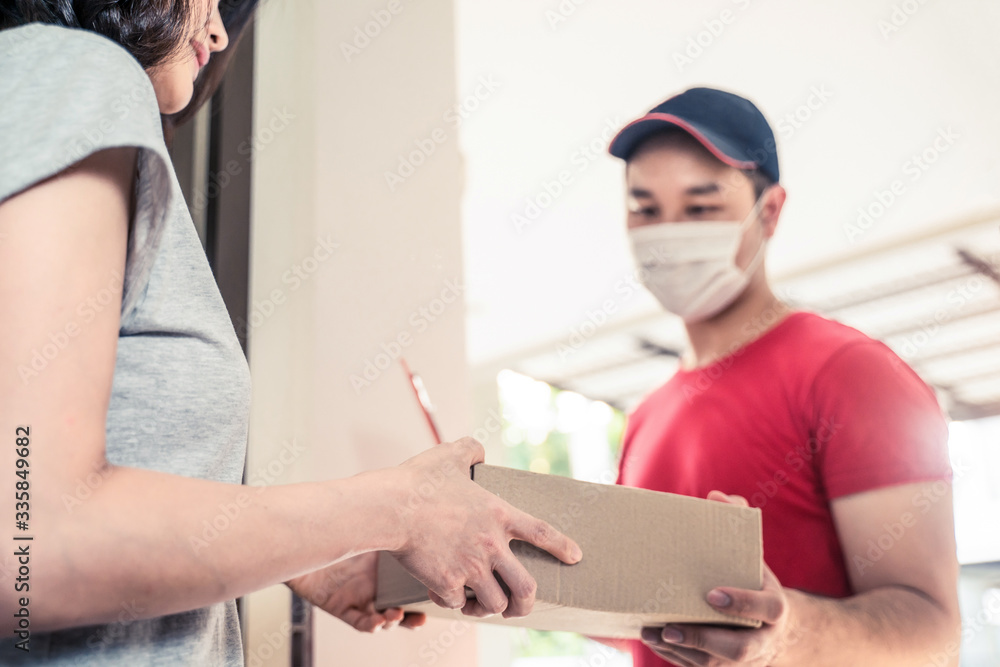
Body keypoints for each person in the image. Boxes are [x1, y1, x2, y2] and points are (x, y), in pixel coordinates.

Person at [0, 1, 582, 664]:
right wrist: (396, 507)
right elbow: (28, 537)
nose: (219, 33)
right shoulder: (75, 71)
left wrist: (306, 555)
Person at [605, 87, 960, 666]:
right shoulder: (648, 413)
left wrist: (785, 637)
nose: (667, 231)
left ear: (768, 211)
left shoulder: (852, 374)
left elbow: (935, 637)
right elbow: (654, 629)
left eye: (699, 208)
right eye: (646, 208)